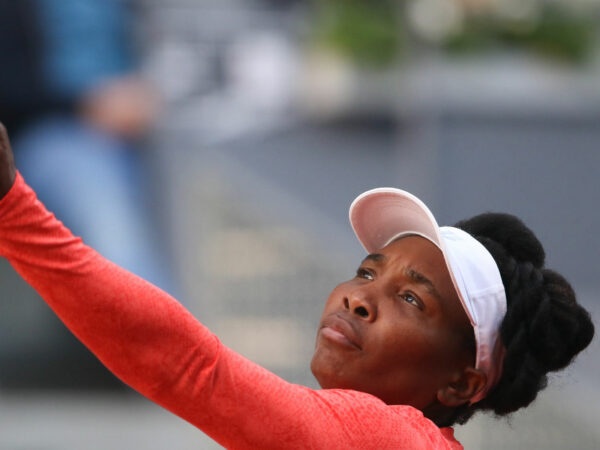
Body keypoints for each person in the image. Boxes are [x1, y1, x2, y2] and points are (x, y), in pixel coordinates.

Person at [0, 123, 594, 448]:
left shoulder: (387, 436)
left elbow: (186, 365)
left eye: (411, 299)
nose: (358, 297)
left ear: (461, 383)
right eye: (367, 271)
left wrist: (13, 209)